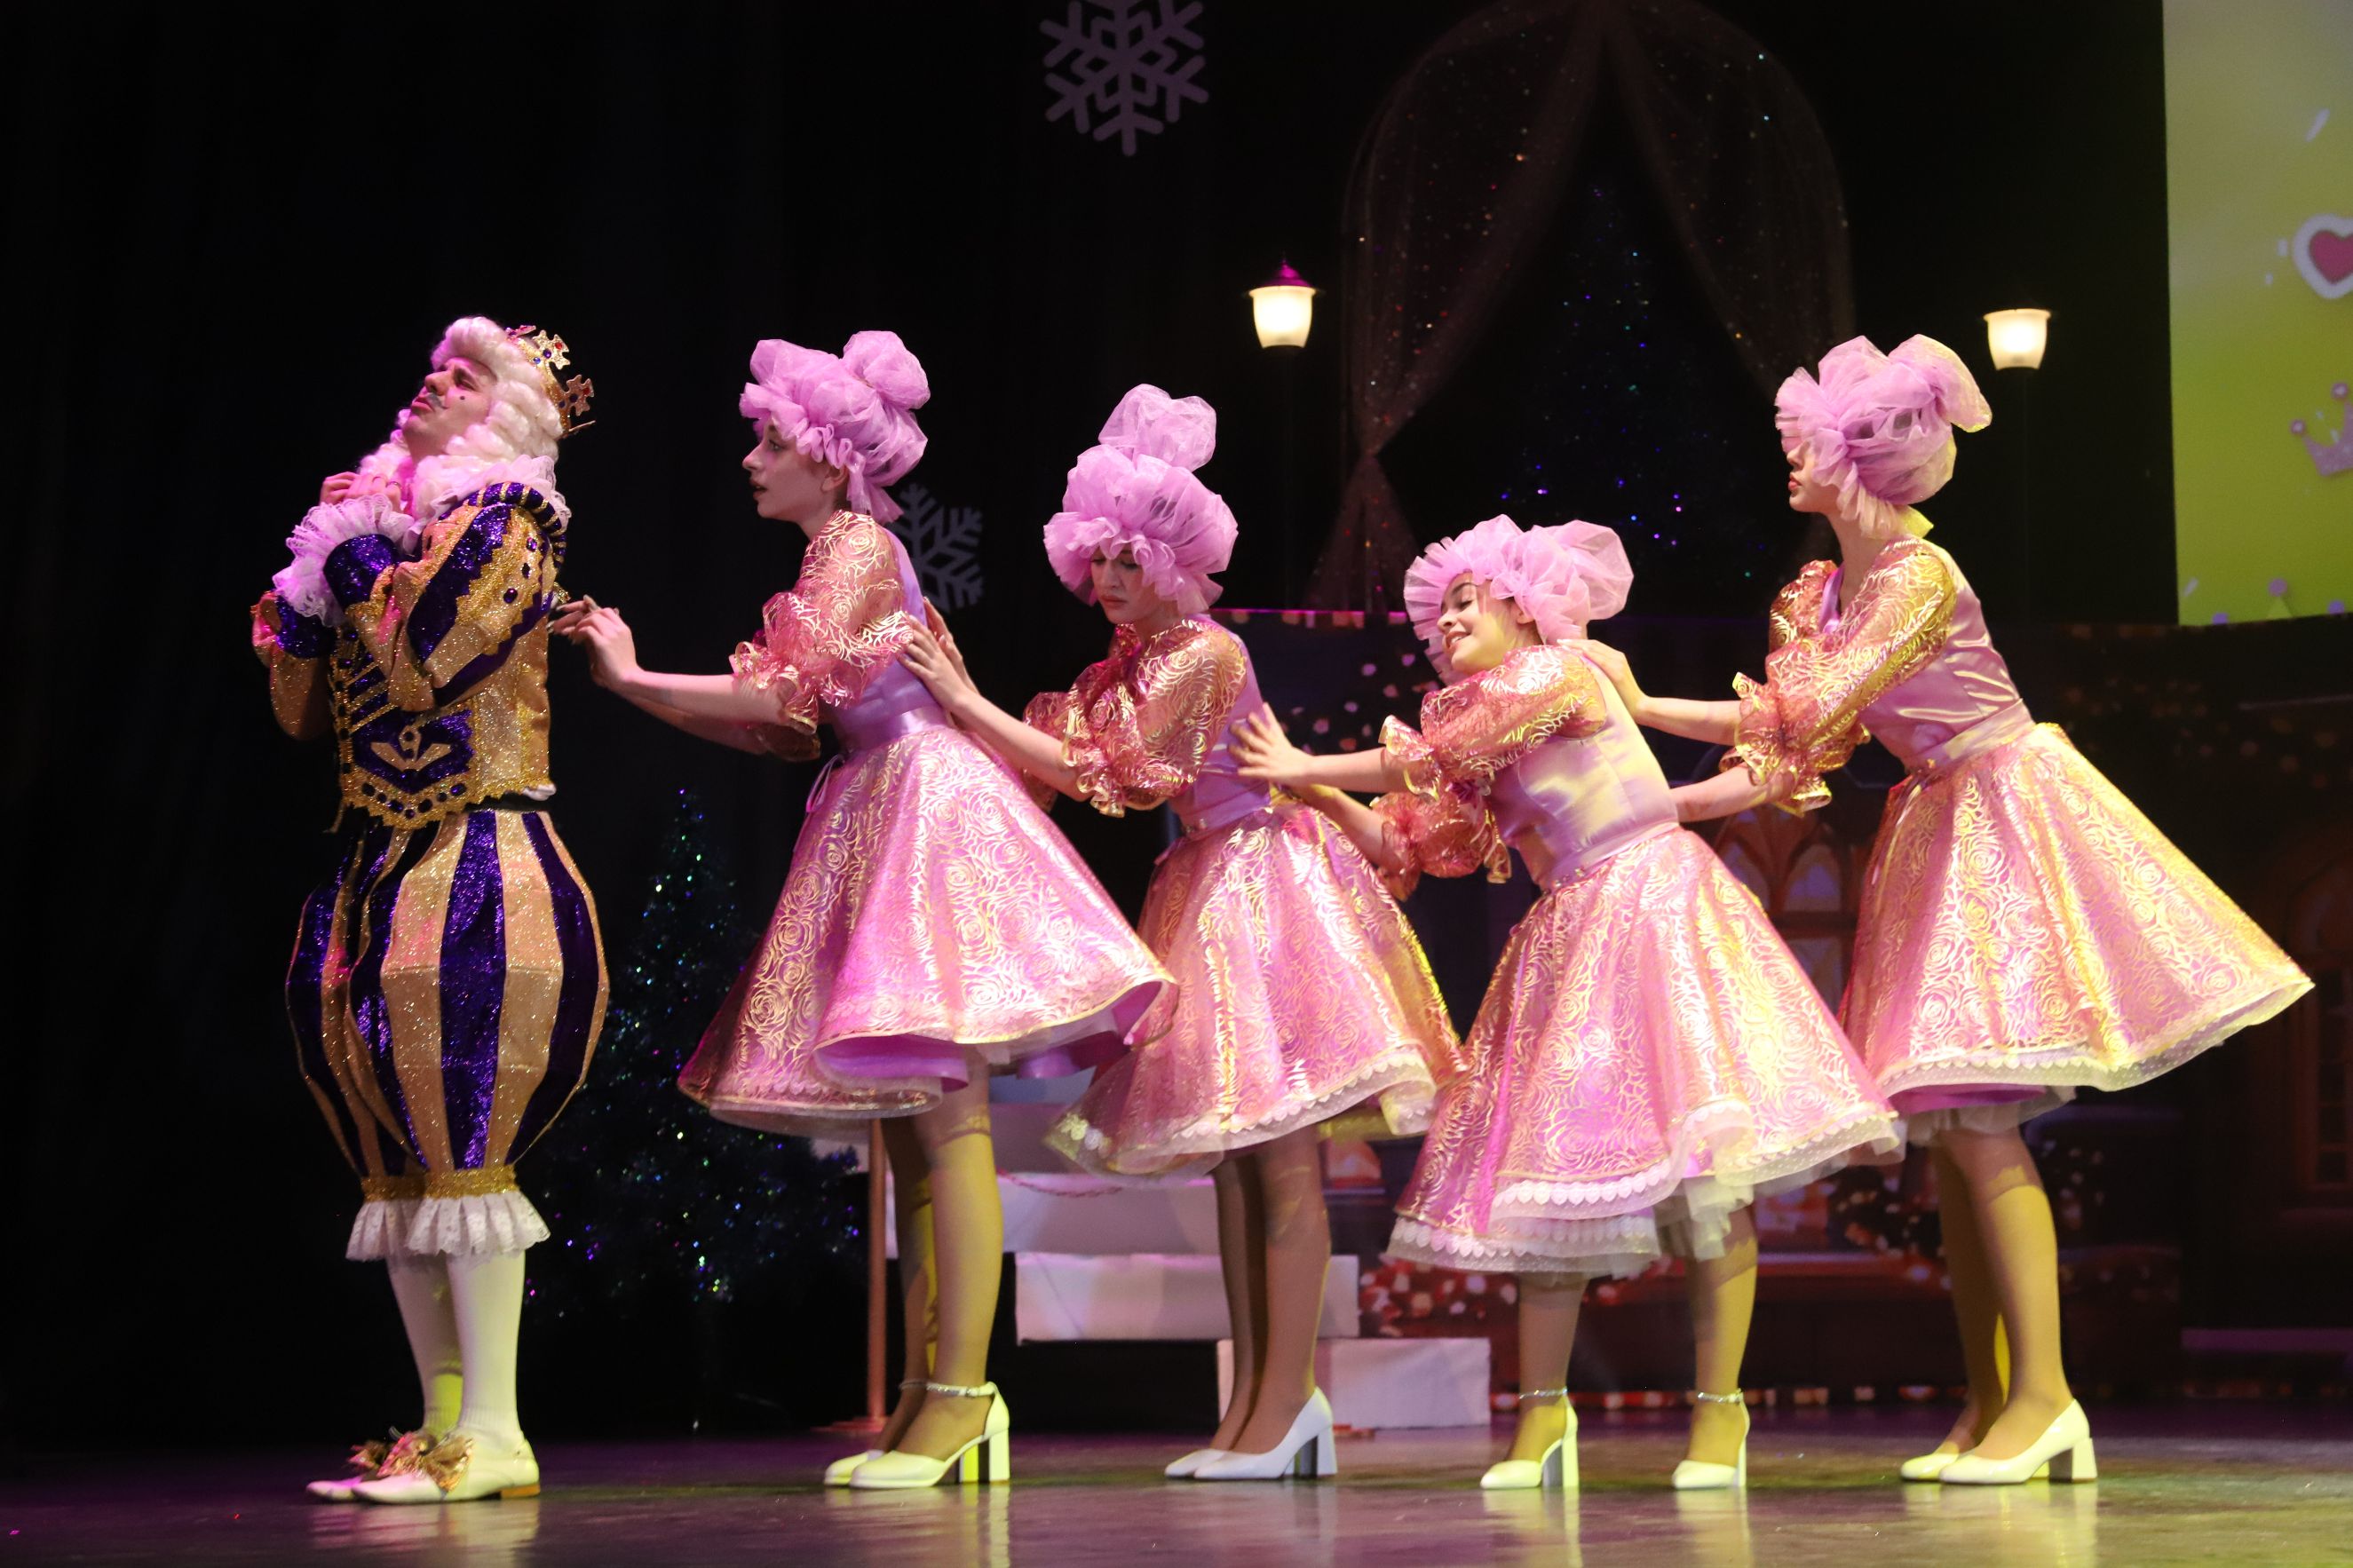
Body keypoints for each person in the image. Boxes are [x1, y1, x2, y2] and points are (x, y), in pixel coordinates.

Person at [1577, 335, 2312, 1484]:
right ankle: (1990, 1397)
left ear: (1856, 459)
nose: (1789, 460)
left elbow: (1808, 708)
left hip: (2001, 815)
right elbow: (1794, 753)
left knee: (1979, 1122)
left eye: (1806, 445)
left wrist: (1648, 702)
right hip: (1934, 821)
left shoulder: (1917, 577)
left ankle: (2046, 1397)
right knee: (1950, 1129)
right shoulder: (1815, 593)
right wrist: (1648, 784)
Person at [556, 334, 1169, 1490]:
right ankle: (929, 1393)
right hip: (872, 797)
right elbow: (786, 726)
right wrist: (642, 693)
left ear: (831, 460)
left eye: (770, 441)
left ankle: (963, 1397)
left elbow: (779, 692)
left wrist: (635, 679)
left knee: (946, 1118)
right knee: (911, 1122)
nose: (751, 459)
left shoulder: (854, 547)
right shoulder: (831, 558)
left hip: (922, 809)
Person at [1232, 514, 1898, 1490]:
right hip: (1570, 930)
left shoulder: (1558, 672)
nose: (1446, 621)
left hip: (1652, 906)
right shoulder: (1478, 725)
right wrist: (1315, 796)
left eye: (1467, 600)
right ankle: (1543, 1416)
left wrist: (1305, 765)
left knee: (1710, 1178)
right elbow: (1415, 841)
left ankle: (1720, 1414)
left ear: (1522, 605)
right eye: (1439, 611)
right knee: (1546, 1185)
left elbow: (1425, 759)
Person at [898, 384, 1462, 1483]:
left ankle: (1285, 1404)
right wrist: (945, 719)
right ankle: (1257, 1407)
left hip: (1265, 886)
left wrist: (965, 699)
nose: (1108, 578)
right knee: (1237, 1169)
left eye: (1129, 559)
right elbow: (1046, 766)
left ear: (1173, 561)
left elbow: (1114, 778)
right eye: (1098, 557)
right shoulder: (1124, 666)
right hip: (1206, 880)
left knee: (1281, 1160)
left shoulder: (1202, 654)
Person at [252, 317, 605, 1503]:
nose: (431, 382)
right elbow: (301, 708)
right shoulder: (396, 533)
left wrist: (354, 551)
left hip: (480, 864)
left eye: (464, 376)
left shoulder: (510, 524)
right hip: (375, 865)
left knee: (466, 1141)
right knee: (396, 1161)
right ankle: (441, 1424)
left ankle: (497, 1430)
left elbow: (422, 663)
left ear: (504, 415)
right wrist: (316, 585)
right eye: (433, 366)